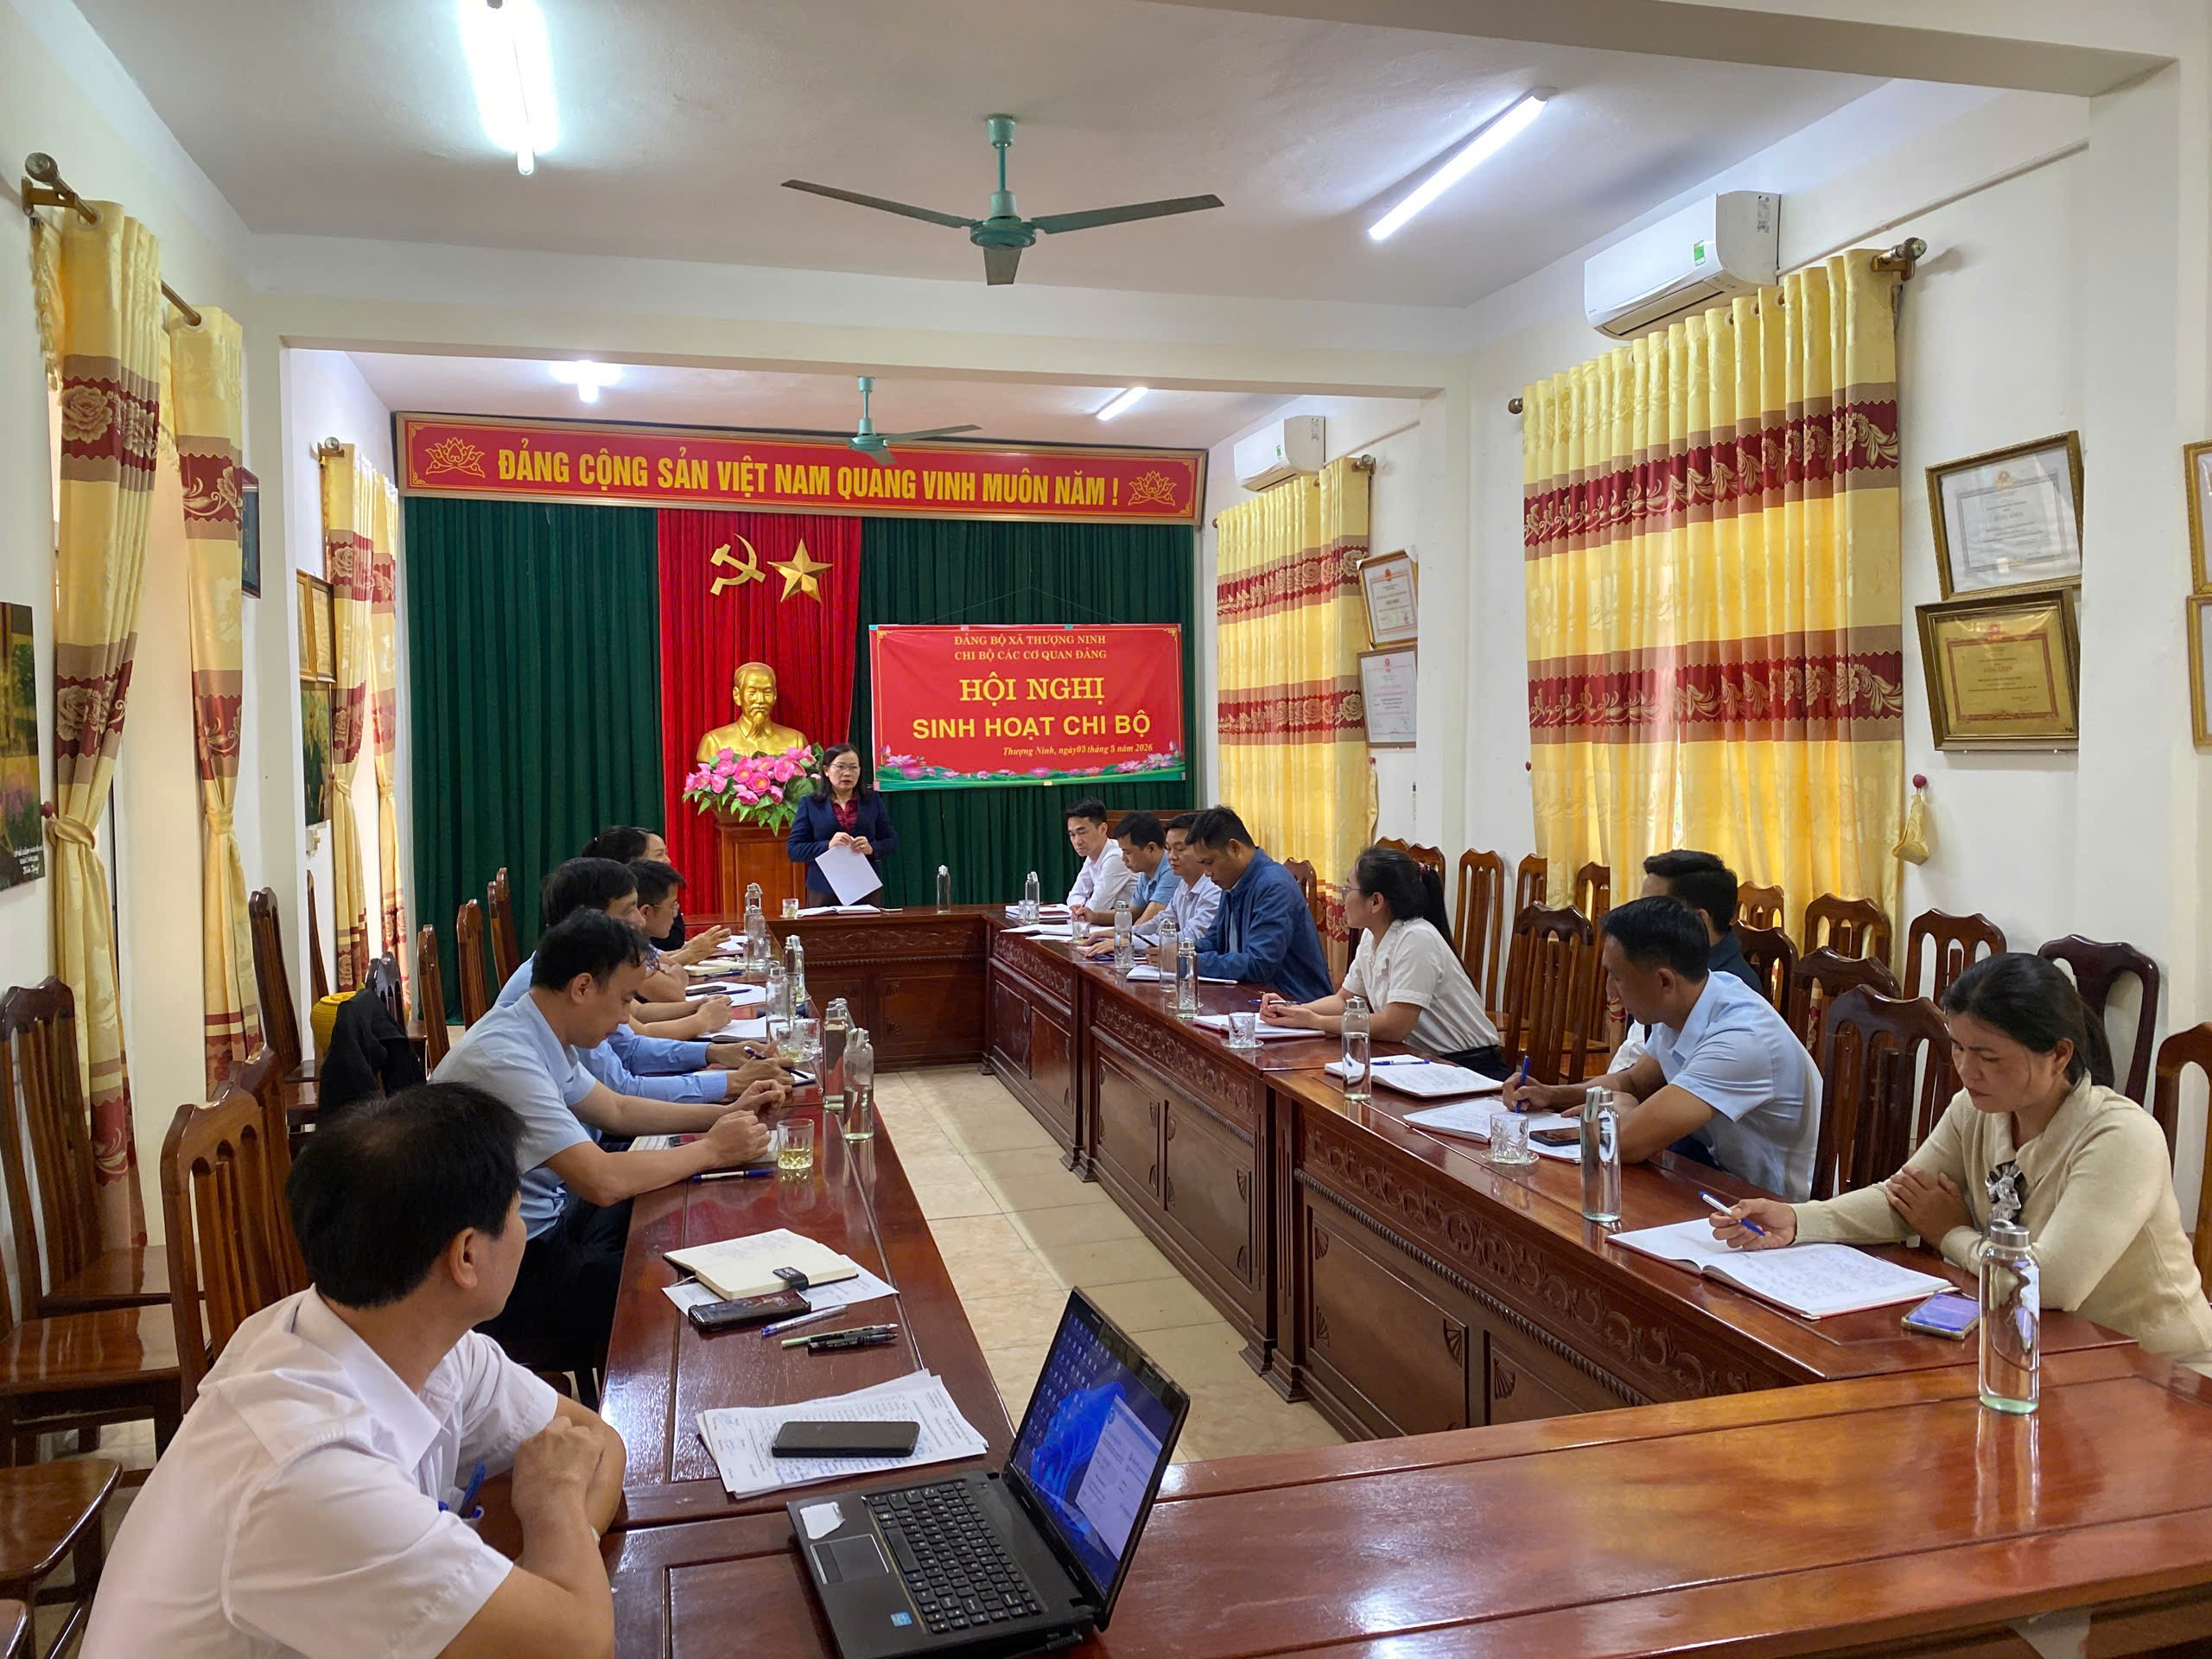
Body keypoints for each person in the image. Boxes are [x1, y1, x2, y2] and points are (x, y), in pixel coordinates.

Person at [82, 1084, 626, 1658]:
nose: (523, 1230)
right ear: (466, 1255)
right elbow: (581, 1643)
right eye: (517, 1212)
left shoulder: (414, 1336)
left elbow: (598, 1442)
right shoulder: (307, 1470)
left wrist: (555, 1573)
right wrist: (554, 1510)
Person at [1713, 954, 2212, 1369]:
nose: (1967, 1071)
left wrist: (1951, 1234)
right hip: (2037, 1348)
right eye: (1958, 1048)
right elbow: (1904, 1198)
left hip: (2155, 1370)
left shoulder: (2120, 1136)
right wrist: (1798, 1220)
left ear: (2060, 1054)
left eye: (1989, 1057)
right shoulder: (1977, 1111)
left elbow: (2051, 1284)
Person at [436, 910, 775, 1368]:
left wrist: (726, 1114)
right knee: (672, 1295)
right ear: (581, 987)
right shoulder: (506, 1058)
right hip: (503, 1276)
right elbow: (601, 1181)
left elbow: (616, 1109)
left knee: (669, 1223)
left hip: (548, 1225)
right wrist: (712, 1149)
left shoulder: (538, 1029)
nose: (624, 1019)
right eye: (623, 1000)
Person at [1504, 894, 1821, 1200]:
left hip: (1781, 1208)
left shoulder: (1741, 1038)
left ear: (1664, 981)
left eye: (1617, 977)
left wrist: (1621, 1109)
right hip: (1720, 1181)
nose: (1610, 991)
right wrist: (1551, 1095)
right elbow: (1633, 1082)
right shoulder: (1683, 1003)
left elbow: (1625, 1143)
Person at [493, 859, 781, 1106]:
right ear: (590, 918)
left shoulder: (584, 966)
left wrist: (714, 1052)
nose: (640, 922)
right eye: (628, 910)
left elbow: (628, 1051)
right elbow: (620, 1093)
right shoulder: (561, 987)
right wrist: (732, 1083)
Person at [1261, 845, 1505, 1075]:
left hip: (1470, 1066)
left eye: (1348, 890)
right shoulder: (1372, 936)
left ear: (1376, 901)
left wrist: (1316, 1022)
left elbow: (1394, 1026)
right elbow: (1344, 1000)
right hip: (1423, 1061)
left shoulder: (1416, 938)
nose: (1343, 899)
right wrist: (1294, 1011)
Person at [1155, 806, 1332, 1003]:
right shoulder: (1232, 881)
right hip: (1251, 995)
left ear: (1234, 848)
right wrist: (1179, 951)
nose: (1207, 873)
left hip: (1294, 1003)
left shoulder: (1273, 886)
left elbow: (1258, 964)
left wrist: (1187, 961)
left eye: (1209, 862)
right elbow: (1214, 941)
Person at [581, 824, 728, 961]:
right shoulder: (611, 927)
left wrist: (687, 950)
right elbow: (639, 971)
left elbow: (653, 958)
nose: (668, 861)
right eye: (659, 854)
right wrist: (689, 954)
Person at [786, 742, 899, 906]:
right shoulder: (810, 804)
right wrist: (828, 846)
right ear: (826, 770)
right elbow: (794, 850)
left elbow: (892, 842)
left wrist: (871, 849)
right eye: (840, 767)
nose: (847, 773)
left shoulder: (872, 801)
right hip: (823, 889)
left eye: (853, 768)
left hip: (865, 887)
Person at [1063, 798, 1137, 922]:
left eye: (1082, 833)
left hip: (1131, 925)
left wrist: (1082, 909)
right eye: (1072, 835)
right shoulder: (1092, 854)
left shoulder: (1117, 856)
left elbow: (1096, 909)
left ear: (1102, 829)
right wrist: (1080, 908)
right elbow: (1074, 895)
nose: (1077, 841)